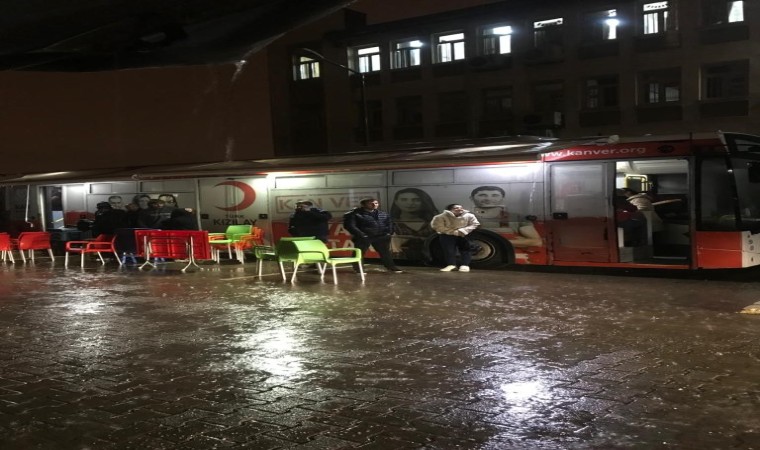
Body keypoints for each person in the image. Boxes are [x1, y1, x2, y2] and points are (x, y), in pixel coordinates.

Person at [343, 197, 403, 273]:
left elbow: (390, 223)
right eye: (370, 203)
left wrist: (389, 233)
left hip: (381, 236)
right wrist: (361, 235)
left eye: (376, 203)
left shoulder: (383, 214)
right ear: (363, 205)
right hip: (364, 237)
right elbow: (350, 226)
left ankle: (391, 267)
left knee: (385, 253)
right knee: (359, 253)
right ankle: (358, 269)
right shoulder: (355, 214)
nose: (374, 205)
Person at [389, 188, 437, 260]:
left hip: (430, 259)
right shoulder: (391, 223)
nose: (410, 203)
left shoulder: (434, 222)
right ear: (396, 202)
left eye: (416, 200)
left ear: (423, 202)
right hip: (400, 259)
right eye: (404, 200)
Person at [430, 203, 480, 272]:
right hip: (446, 235)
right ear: (450, 210)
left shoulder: (469, 215)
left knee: (465, 249)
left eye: (461, 207)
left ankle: (465, 265)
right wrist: (453, 232)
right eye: (456, 208)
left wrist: (463, 231)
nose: (459, 209)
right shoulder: (440, 217)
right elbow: (437, 226)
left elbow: (475, 224)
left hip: (464, 234)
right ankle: (451, 265)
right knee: (449, 250)